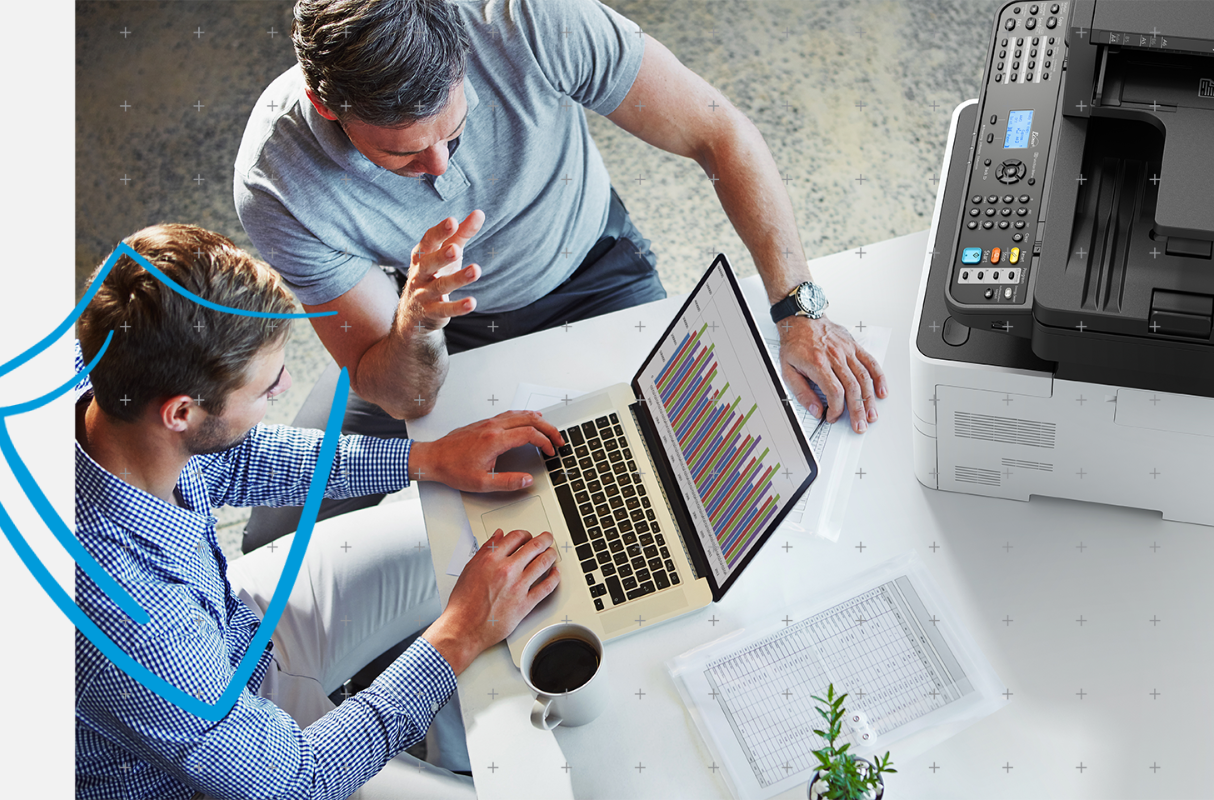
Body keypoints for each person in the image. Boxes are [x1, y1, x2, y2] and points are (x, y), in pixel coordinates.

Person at [234, 0, 888, 539]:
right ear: (328, 108)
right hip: (425, 318)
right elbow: (406, 395)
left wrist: (799, 307)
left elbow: (719, 134)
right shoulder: (277, 181)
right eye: (401, 155)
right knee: (278, 544)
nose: (439, 170)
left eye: (454, 133)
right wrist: (420, 322)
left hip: (593, 278)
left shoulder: (529, 20)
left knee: (666, 506)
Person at [73, 223, 562, 799]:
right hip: (229, 770)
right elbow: (294, 779)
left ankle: (450, 746)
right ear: (180, 413)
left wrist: (426, 458)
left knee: (473, 526)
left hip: (234, 629)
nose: (285, 389)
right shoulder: (128, 617)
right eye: (265, 388)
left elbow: (235, 455)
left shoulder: (107, 368)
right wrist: (456, 636)